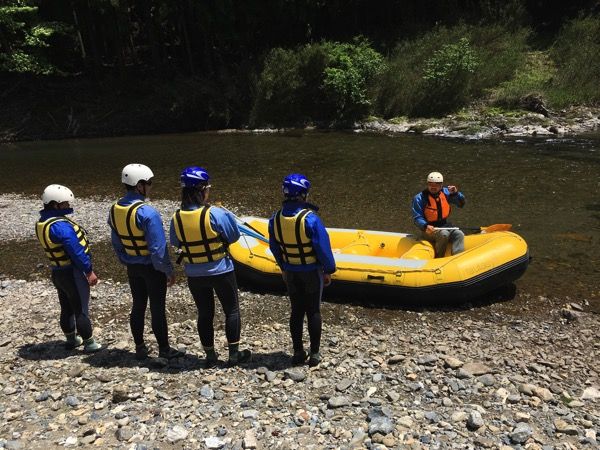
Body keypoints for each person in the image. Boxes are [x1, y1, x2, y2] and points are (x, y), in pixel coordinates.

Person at [169, 166, 251, 368]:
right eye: (208, 188)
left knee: (205, 313)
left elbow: (176, 242)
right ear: (201, 190)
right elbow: (233, 236)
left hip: (195, 274)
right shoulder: (214, 214)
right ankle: (233, 355)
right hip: (221, 270)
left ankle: (210, 356)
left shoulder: (176, 217)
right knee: (231, 310)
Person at [109, 163, 183, 360]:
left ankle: (140, 347)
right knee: (157, 307)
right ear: (139, 185)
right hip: (151, 268)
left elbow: (116, 242)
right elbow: (158, 249)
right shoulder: (147, 213)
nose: (151, 186)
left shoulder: (114, 209)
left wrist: (126, 259)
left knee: (138, 304)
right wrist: (168, 270)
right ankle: (164, 349)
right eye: (149, 183)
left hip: (132, 267)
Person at [268, 173, 336, 367]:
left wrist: (283, 267)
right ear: (303, 194)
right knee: (313, 310)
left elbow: (274, 247)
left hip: (290, 271)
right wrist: (328, 270)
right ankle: (314, 354)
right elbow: (322, 247)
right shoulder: (311, 219)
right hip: (311, 272)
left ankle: (298, 352)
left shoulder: (275, 218)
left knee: (296, 311)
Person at [35, 184, 102, 352]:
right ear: (55, 204)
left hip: (57, 273)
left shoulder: (43, 223)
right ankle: (89, 343)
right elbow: (76, 251)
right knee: (80, 308)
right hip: (73, 273)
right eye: (65, 203)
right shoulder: (61, 226)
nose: (68, 206)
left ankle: (71, 339)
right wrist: (89, 271)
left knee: (66, 307)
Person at [412, 171, 466, 258]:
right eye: (430, 183)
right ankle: (439, 258)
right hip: (428, 229)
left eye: (436, 184)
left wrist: (456, 194)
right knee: (444, 234)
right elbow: (417, 218)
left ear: (441, 185)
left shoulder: (446, 193)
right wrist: (425, 226)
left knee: (459, 234)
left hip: (445, 225)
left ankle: (458, 258)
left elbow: (461, 204)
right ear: (427, 184)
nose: (433, 186)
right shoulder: (419, 198)